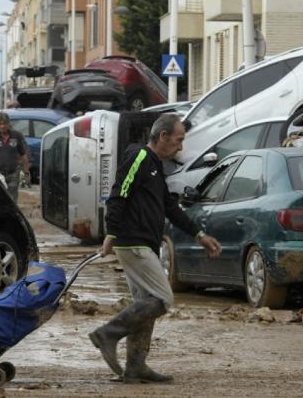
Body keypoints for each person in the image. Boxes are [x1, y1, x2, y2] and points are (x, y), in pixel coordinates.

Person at [88, 113, 222, 384]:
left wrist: (199, 234)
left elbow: (170, 207)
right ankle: (108, 333)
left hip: (141, 242)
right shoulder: (138, 157)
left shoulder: (154, 166)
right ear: (163, 136)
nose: (181, 147)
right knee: (163, 300)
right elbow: (118, 194)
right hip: (133, 242)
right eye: (179, 140)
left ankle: (136, 367)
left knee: (144, 305)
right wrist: (111, 233)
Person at [0, 112, 29, 203]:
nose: (2, 126)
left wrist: (26, 172)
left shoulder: (17, 136)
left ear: (9, 123)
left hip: (13, 174)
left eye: (5, 123)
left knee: (12, 199)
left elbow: (23, 154)